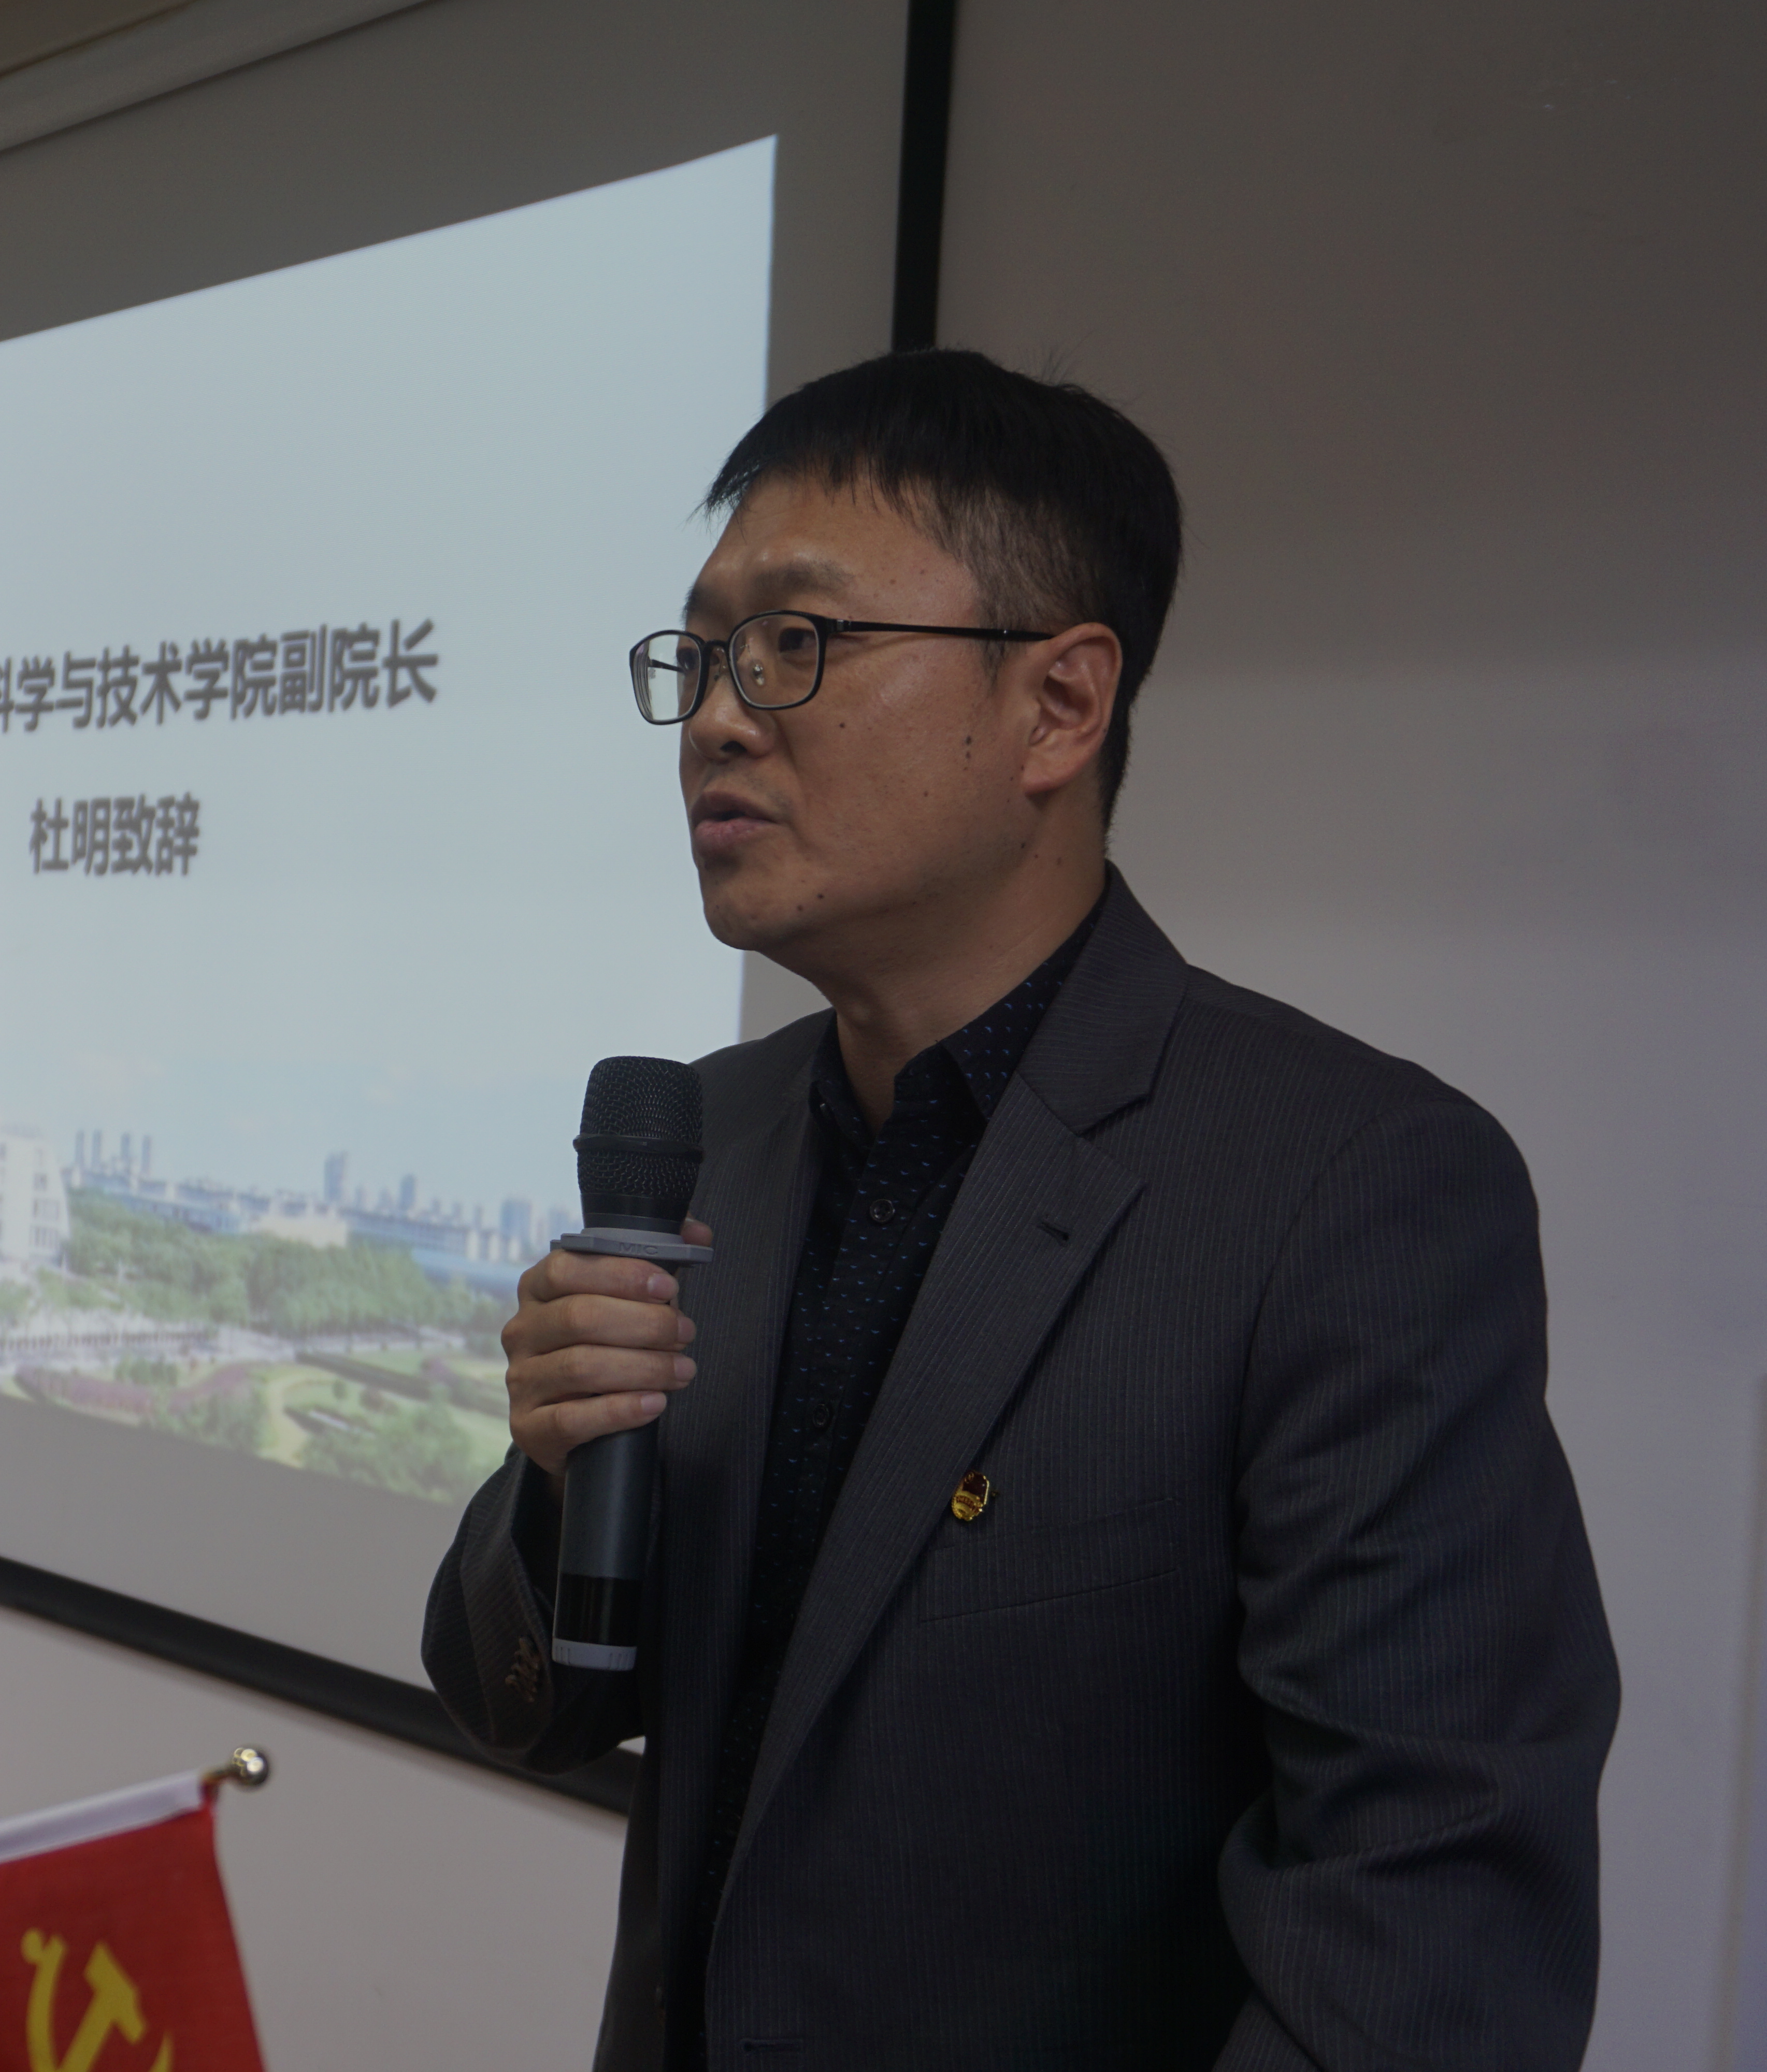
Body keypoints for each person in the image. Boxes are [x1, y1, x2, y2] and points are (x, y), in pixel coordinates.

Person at [424, 349, 1618, 2070]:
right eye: (699, 656)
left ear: (1061, 705)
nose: (718, 719)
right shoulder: (712, 1141)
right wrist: (554, 1478)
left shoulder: (1346, 1188)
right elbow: (527, 1707)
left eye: (794, 644)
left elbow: (1429, 1920)